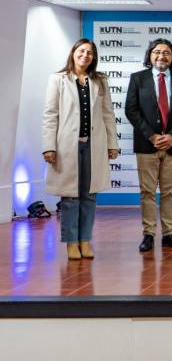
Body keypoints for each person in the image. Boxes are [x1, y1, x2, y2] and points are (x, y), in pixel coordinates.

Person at [42, 38, 119, 260]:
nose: (86, 55)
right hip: (67, 146)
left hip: (94, 145)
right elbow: (50, 115)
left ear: (94, 57)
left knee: (89, 195)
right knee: (70, 196)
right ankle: (71, 242)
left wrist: (112, 143)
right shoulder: (58, 79)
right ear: (73, 52)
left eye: (90, 52)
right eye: (82, 51)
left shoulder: (99, 80)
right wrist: (49, 146)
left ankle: (85, 240)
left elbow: (108, 114)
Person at [125, 38, 172, 252]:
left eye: (166, 53)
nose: (161, 56)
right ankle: (149, 234)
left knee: (169, 192)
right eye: (157, 52)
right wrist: (151, 136)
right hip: (147, 145)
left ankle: (170, 233)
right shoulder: (138, 78)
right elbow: (131, 110)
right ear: (150, 55)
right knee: (147, 192)